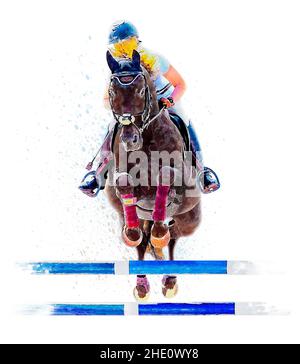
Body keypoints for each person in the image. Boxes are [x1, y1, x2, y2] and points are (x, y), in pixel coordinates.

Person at [79, 21, 220, 196]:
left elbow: (181, 84)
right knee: (111, 126)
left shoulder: (155, 59)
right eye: (118, 45)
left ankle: (202, 171)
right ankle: (98, 175)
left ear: (135, 40)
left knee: (183, 121)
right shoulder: (116, 69)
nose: (122, 48)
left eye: (125, 42)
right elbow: (105, 100)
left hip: (164, 100)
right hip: (133, 108)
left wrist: (170, 100)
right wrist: (119, 109)